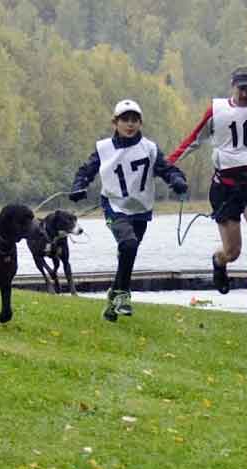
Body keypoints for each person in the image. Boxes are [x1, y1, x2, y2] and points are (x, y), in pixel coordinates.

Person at [167, 66, 247, 318]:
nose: (246, 94)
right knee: (233, 251)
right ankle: (219, 261)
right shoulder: (217, 112)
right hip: (225, 189)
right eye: (241, 88)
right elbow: (193, 139)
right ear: (233, 86)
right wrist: (166, 165)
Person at [70, 99, 188, 322]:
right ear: (115, 122)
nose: (130, 124)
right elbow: (86, 170)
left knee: (128, 252)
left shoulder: (150, 148)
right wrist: (79, 186)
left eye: (134, 120)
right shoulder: (103, 148)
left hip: (141, 209)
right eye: (125, 119)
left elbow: (166, 168)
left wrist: (177, 180)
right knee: (128, 244)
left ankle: (113, 299)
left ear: (140, 123)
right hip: (114, 206)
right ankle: (123, 294)